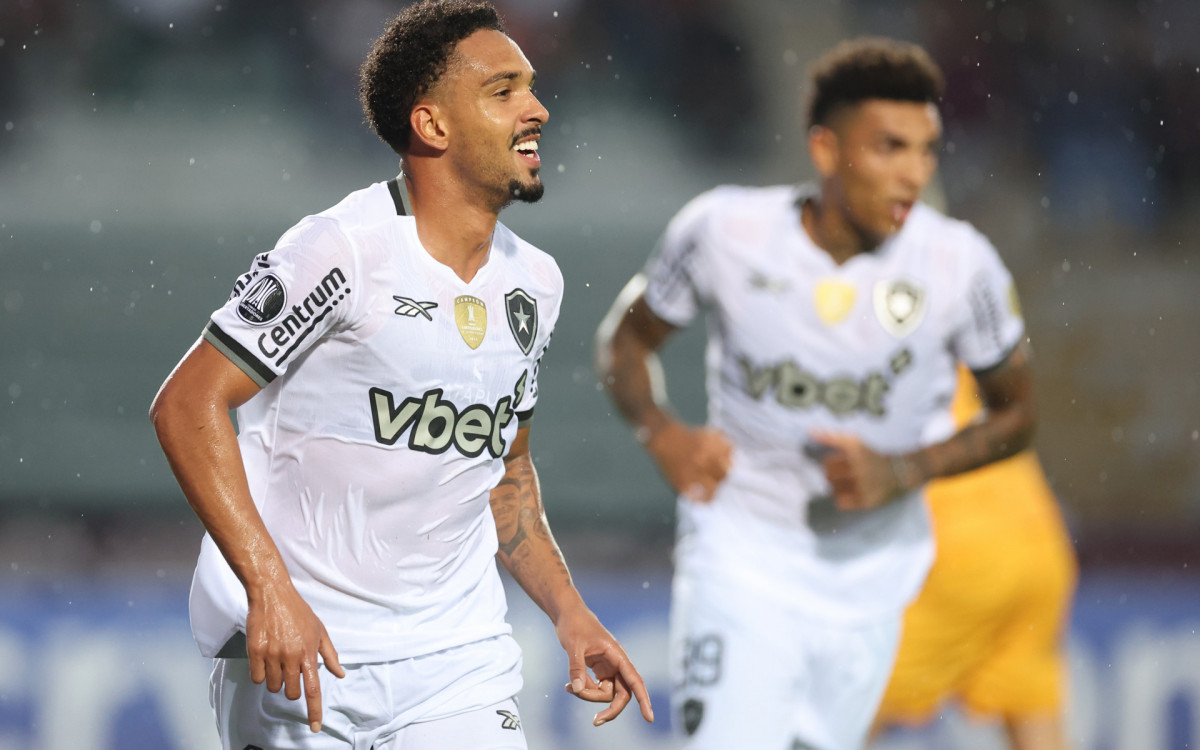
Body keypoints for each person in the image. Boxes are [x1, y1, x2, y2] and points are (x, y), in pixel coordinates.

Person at [149, 2, 652, 748]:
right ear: (433, 125)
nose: (538, 109)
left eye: (533, 87)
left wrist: (568, 609)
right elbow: (187, 404)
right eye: (504, 90)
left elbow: (503, 466)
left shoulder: (535, 283)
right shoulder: (342, 251)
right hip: (308, 655)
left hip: (458, 663)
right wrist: (269, 588)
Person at [594, 37, 1036, 750]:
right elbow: (626, 339)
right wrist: (660, 430)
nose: (913, 174)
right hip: (742, 552)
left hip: (872, 576)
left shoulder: (962, 265)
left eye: (927, 150)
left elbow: (1018, 414)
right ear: (826, 150)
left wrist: (904, 470)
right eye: (890, 147)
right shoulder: (725, 230)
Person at [873, 364, 1077, 750]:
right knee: (1039, 734)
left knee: (837, 716)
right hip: (1035, 532)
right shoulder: (939, 314)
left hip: (959, 551)